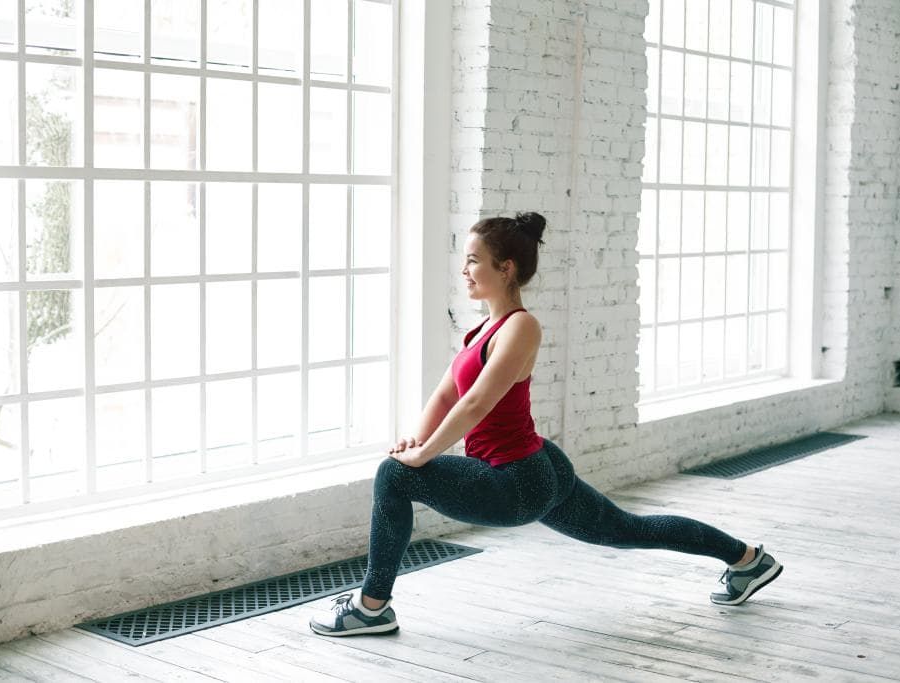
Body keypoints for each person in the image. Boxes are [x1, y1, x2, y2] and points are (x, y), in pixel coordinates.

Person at [309, 212, 783, 637]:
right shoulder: (481, 331)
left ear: (505, 268)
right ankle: (747, 560)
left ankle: (371, 607)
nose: (464, 270)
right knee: (627, 529)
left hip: (518, 481)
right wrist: (417, 435)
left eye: (474, 260)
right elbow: (447, 393)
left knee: (393, 475)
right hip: (535, 467)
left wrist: (421, 456)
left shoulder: (521, 326)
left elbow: (475, 404)